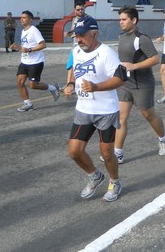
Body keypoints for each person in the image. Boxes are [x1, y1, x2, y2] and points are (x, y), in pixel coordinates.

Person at [62, 16, 126, 202]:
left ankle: (114, 182)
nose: (78, 39)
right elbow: (74, 70)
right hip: (83, 109)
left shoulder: (107, 53)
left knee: (107, 153)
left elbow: (120, 79)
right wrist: (70, 83)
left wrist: (97, 87)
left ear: (95, 33)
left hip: (105, 110)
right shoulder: (77, 51)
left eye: (82, 36)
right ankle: (95, 176)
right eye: (76, 36)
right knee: (74, 151)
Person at [104, 7, 165, 164]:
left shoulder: (142, 38)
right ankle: (118, 152)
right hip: (125, 84)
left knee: (148, 115)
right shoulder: (121, 37)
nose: (120, 22)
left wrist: (133, 66)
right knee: (121, 117)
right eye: (120, 19)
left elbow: (155, 59)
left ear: (133, 20)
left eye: (124, 19)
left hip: (143, 84)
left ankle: (164, 137)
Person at [10, 10, 60, 112]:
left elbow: (43, 45)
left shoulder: (34, 30)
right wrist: (16, 47)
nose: (21, 19)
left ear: (30, 19)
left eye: (24, 18)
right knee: (20, 82)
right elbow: (25, 46)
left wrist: (29, 50)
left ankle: (53, 88)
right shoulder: (23, 31)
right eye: (21, 17)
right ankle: (28, 104)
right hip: (24, 61)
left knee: (33, 85)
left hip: (35, 62)